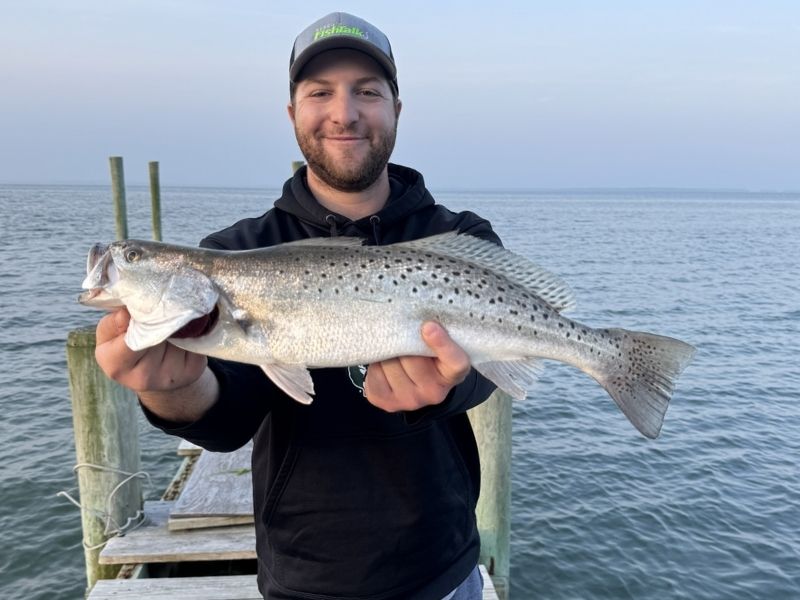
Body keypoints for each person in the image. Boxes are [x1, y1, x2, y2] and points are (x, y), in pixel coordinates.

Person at [95, 12, 501, 600]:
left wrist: (448, 387)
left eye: (367, 91)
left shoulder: (459, 237)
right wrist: (170, 390)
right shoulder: (235, 251)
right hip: (302, 575)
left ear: (396, 110)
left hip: (440, 567)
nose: (345, 113)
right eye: (320, 92)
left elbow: (493, 368)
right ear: (293, 114)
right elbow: (228, 416)